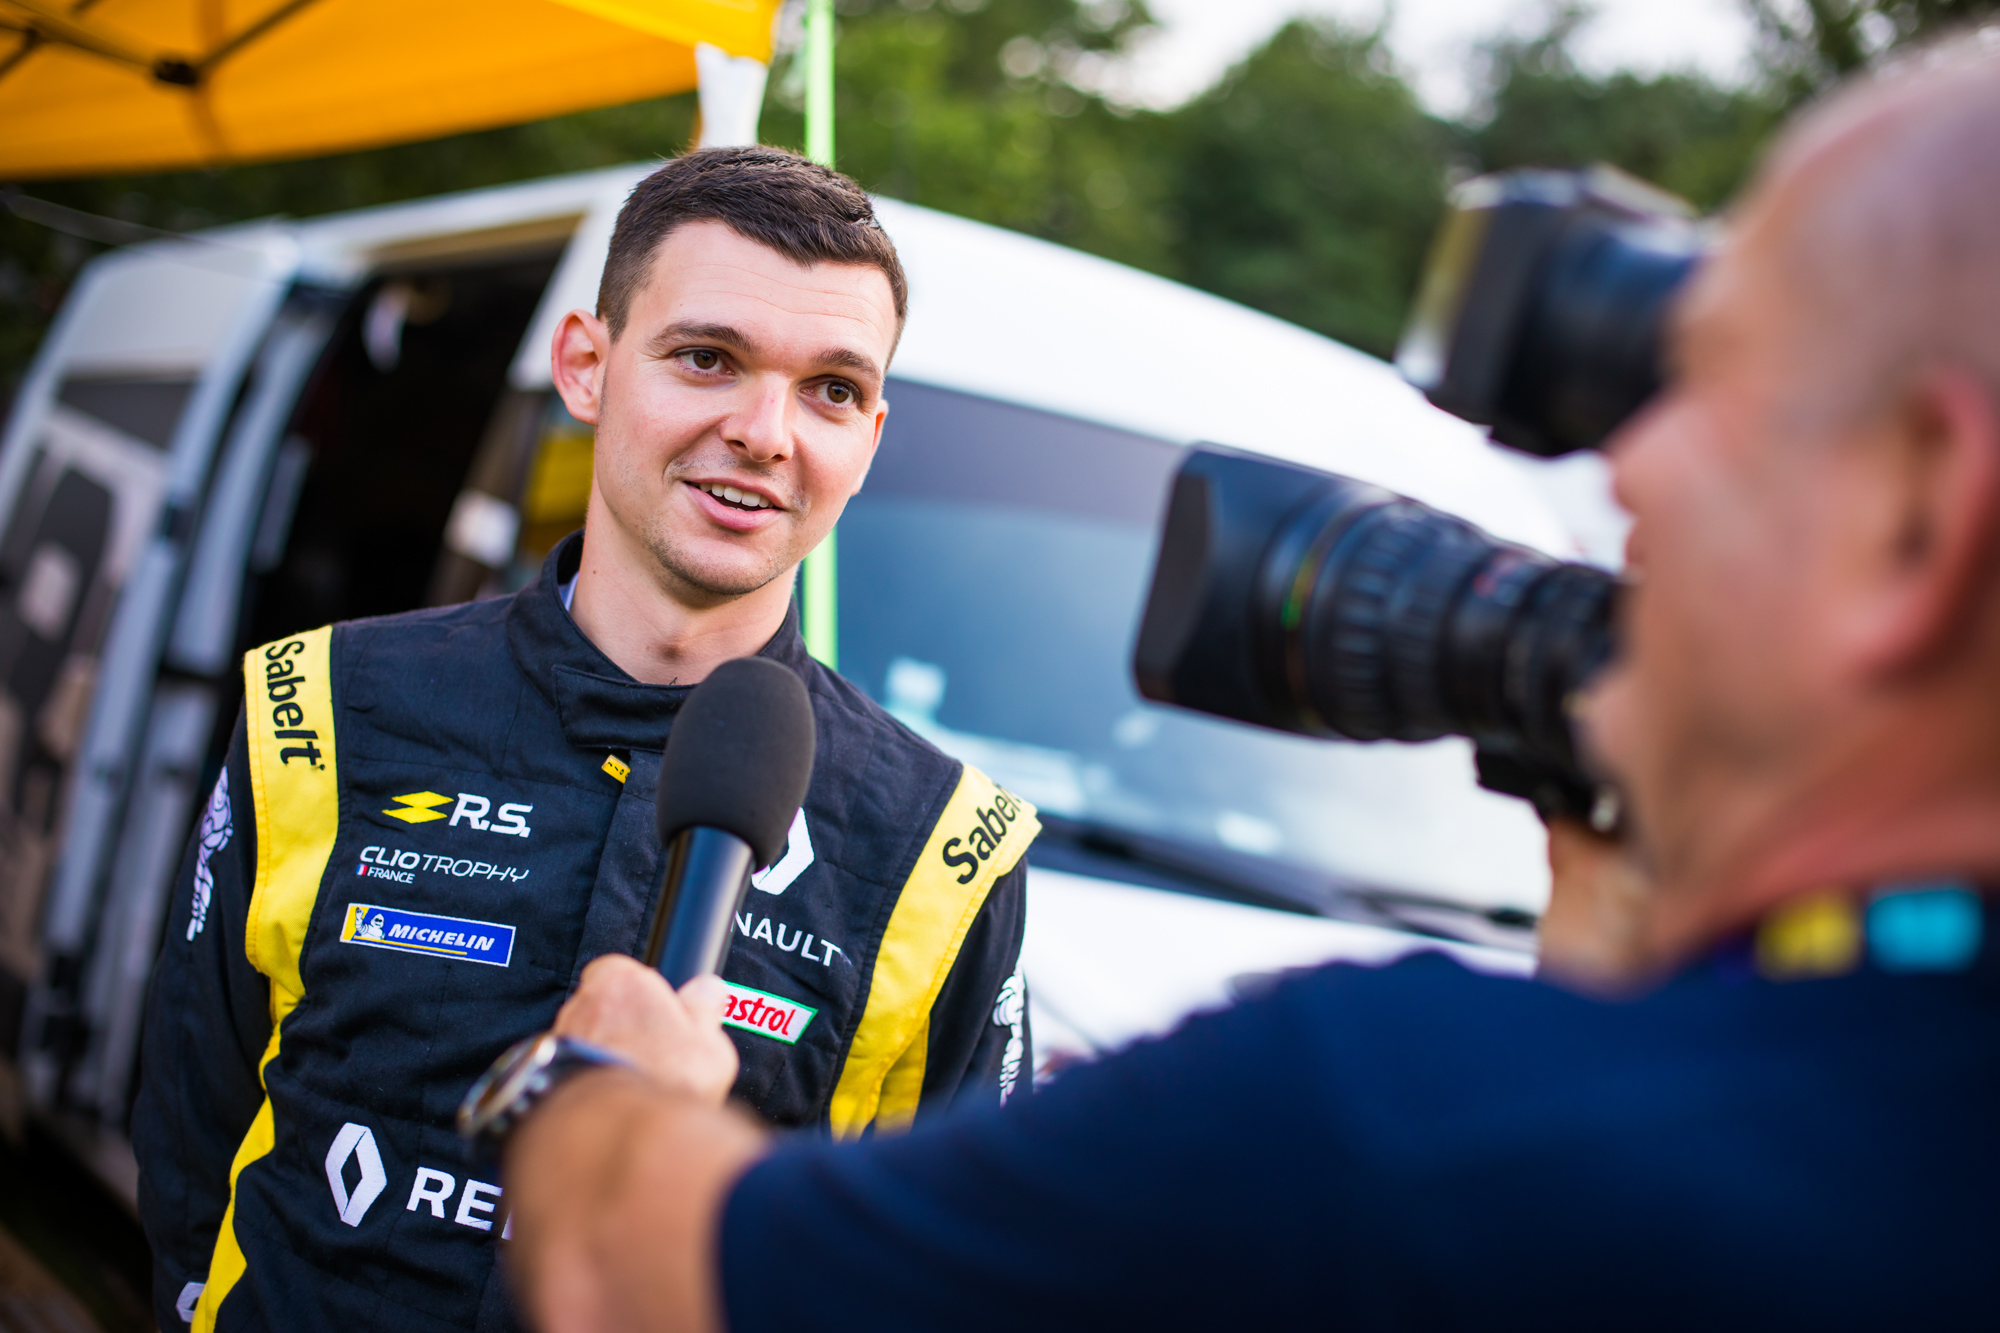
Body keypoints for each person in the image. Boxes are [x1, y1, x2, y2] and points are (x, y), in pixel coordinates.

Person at [498, 36, 2000, 1332]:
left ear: (1918, 512)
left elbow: (633, 1270)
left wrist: (607, 1090)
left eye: (1708, 387)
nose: (1624, 475)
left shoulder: (1374, 1124)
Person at [132, 146, 1038, 1333]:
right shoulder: (323, 705)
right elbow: (189, 1137)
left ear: (867, 438)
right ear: (586, 366)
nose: (764, 432)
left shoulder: (946, 848)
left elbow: (942, 1267)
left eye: (828, 389)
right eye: (706, 358)